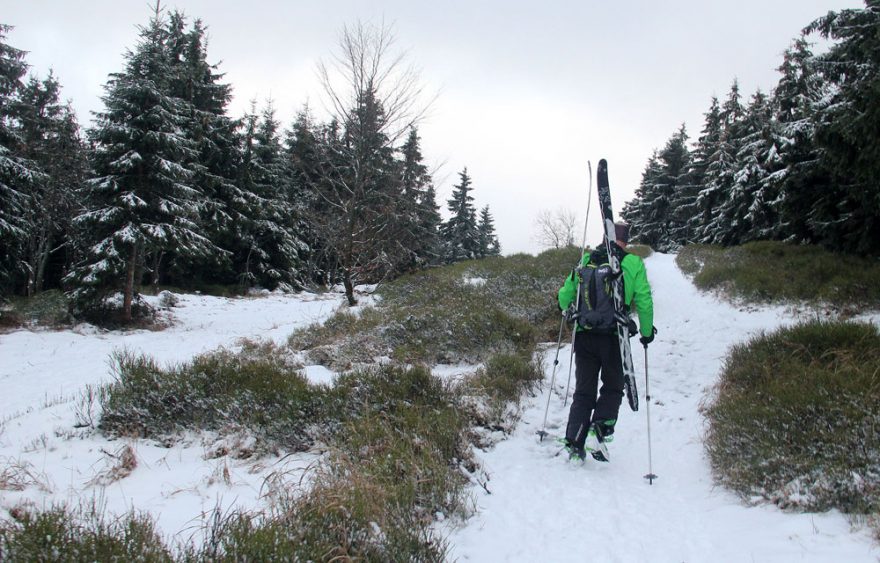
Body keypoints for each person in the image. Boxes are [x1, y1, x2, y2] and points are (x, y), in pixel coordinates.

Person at [558, 222, 654, 462]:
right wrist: (646, 331)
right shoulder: (632, 263)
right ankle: (598, 429)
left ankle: (574, 442)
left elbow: (564, 295)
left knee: (583, 391)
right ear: (626, 240)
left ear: (604, 237)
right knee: (613, 387)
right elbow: (643, 299)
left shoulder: (587, 259)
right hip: (614, 337)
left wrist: (566, 308)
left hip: (584, 334)